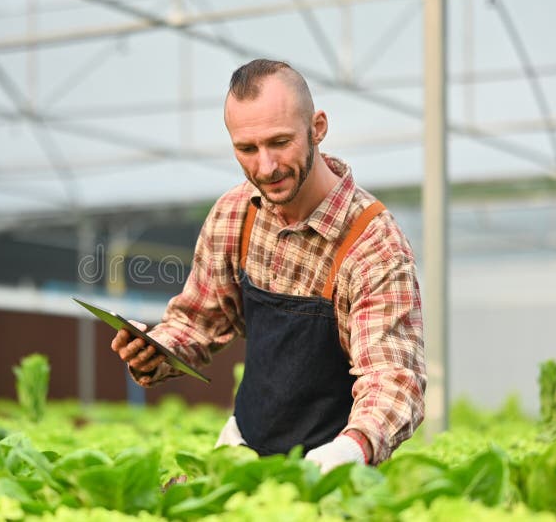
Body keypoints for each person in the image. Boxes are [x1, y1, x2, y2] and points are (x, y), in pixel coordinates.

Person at [110, 59, 426, 472]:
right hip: (246, 455)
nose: (265, 166)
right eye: (247, 148)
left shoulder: (372, 244)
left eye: (280, 142)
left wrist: (350, 451)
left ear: (318, 128)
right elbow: (199, 319)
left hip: (333, 474)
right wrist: (158, 350)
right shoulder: (234, 214)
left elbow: (393, 379)